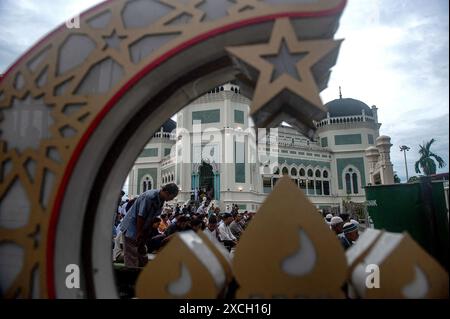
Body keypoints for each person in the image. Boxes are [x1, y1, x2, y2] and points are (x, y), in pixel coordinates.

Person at [119, 183, 179, 267]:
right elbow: (141, 216)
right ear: (167, 193)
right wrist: (139, 233)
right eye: (172, 197)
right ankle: (131, 277)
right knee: (131, 256)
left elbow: (152, 219)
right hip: (131, 227)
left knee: (142, 252)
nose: (172, 199)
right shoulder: (149, 196)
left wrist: (145, 235)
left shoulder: (161, 201)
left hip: (141, 228)